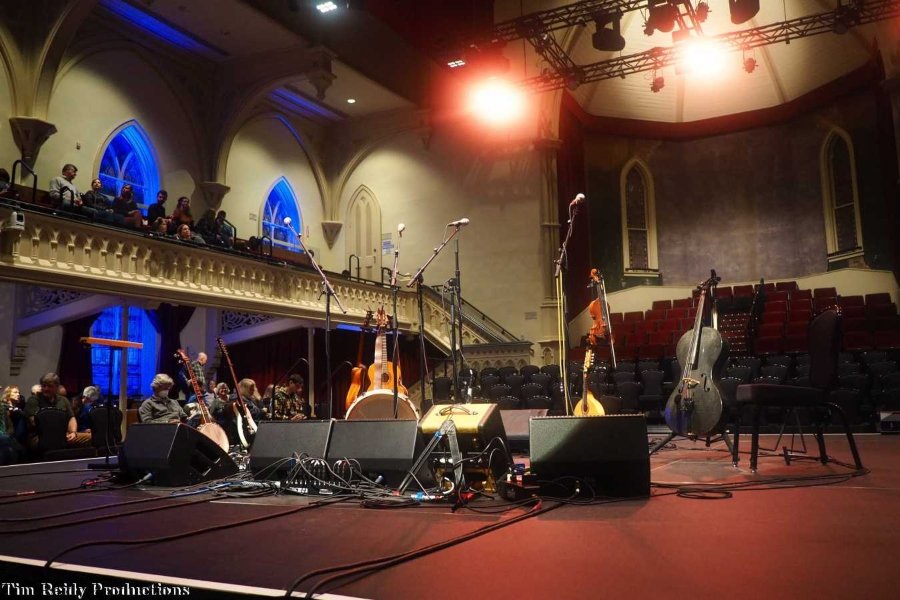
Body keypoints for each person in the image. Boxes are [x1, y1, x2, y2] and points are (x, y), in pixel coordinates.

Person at [24, 373, 91, 448]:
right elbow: (34, 421)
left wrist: (73, 433)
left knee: (91, 437)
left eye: (49, 386)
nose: (46, 389)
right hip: (40, 436)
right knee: (56, 441)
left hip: (64, 434)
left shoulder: (63, 400)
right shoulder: (34, 400)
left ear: (57, 387)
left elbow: (71, 418)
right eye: (43, 386)